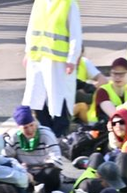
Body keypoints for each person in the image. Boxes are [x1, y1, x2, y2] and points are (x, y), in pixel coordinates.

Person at [23, 0, 82, 137]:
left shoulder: (68, 3)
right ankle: (46, 134)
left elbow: (75, 33)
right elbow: (31, 27)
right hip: (38, 59)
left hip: (57, 62)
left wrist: (72, 59)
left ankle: (58, 136)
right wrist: (27, 52)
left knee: (59, 100)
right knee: (37, 99)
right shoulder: (40, 2)